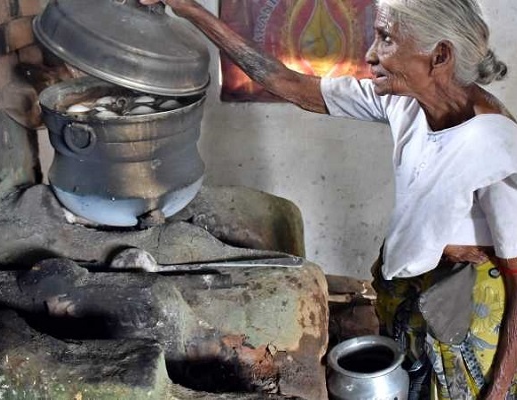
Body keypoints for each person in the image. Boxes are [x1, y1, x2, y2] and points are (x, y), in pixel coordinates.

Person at [139, 0, 517, 398]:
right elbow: (288, 84)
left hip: (468, 316)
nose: (370, 55)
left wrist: (497, 391)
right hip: (415, 292)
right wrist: (191, 10)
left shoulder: (494, 147)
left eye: (386, 39)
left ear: (439, 56)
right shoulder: (405, 100)